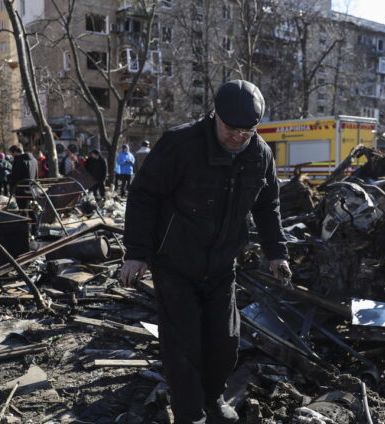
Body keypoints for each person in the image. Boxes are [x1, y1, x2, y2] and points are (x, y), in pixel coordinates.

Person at [120, 80, 290, 424]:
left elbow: (268, 206)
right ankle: (189, 413)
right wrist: (136, 253)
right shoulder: (180, 144)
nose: (238, 136)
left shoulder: (260, 155)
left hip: (222, 264)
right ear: (216, 115)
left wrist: (277, 253)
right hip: (175, 263)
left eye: (247, 130)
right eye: (231, 128)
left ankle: (212, 399)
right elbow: (143, 195)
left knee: (225, 343)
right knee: (182, 345)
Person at [8, 144, 38, 217]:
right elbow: (36, 175)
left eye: (12, 154)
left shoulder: (18, 161)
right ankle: (35, 227)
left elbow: (15, 177)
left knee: (23, 212)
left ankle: (27, 228)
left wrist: (12, 191)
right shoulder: (34, 160)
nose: (12, 156)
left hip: (21, 191)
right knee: (32, 211)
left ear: (14, 152)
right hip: (33, 190)